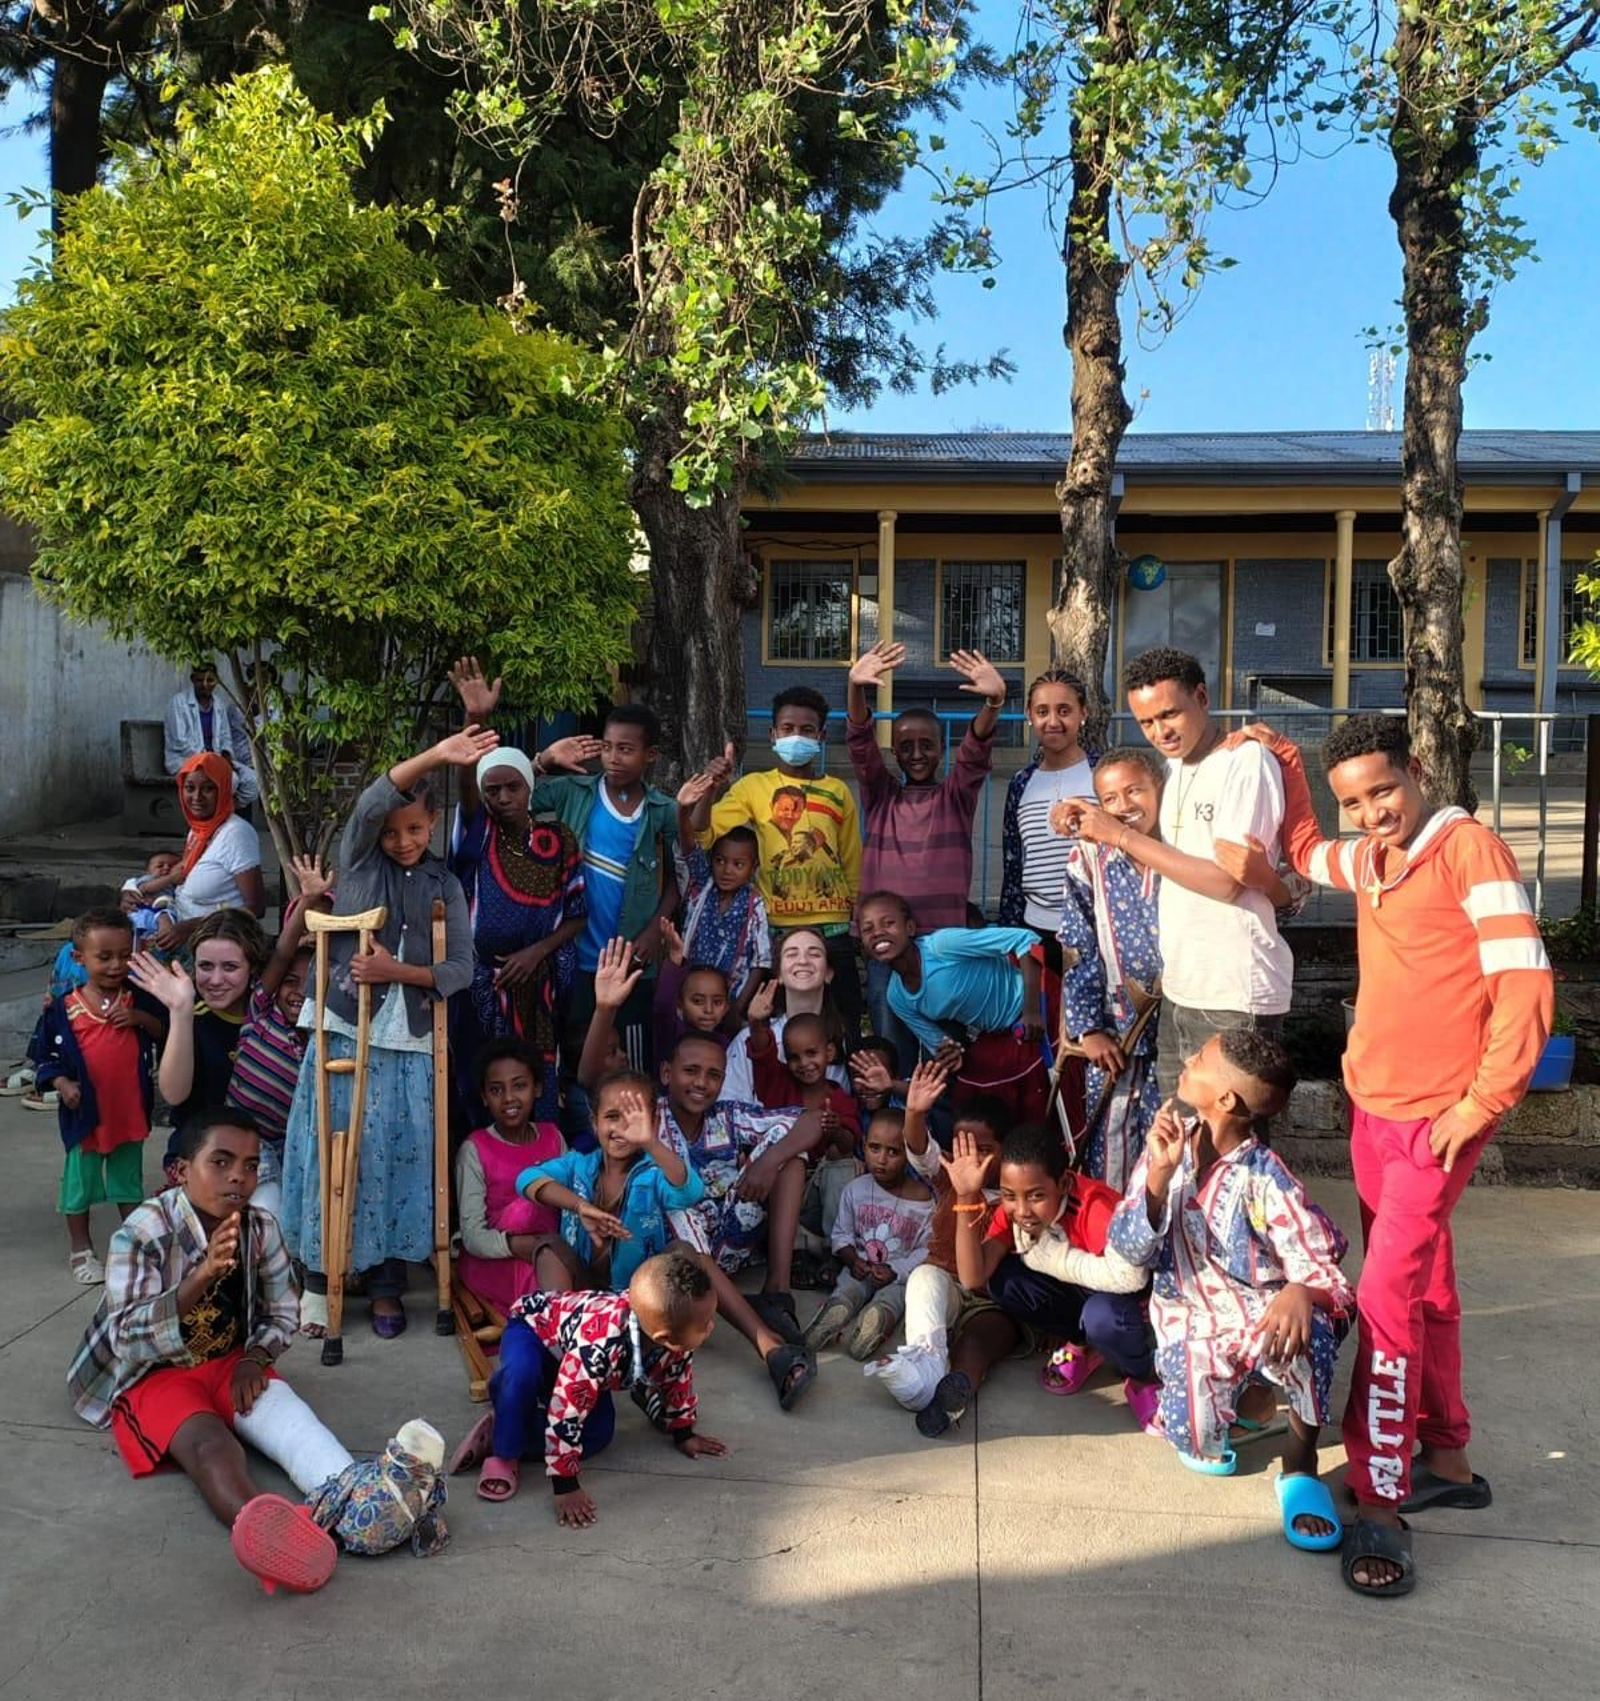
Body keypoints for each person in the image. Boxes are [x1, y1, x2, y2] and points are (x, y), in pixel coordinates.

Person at [1220, 714, 1553, 1598]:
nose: (1372, 812)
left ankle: (1380, 1498)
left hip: (1439, 1120)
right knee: (1424, 1283)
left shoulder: (1467, 850)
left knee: (1385, 1299)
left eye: (1384, 791)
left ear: (1416, 774)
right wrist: (1286, 759)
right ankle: (1446, 1453)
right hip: (1375, 1109)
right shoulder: (1372, 859)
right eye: (1356, 802)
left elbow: (1526, 984)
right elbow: (1302, 849)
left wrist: (1480, 1103)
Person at [67, 1109, 446, 1594]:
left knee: (298, 1429)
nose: (238, 1178)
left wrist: (255, 1358)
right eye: (220, 1162)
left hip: (230, 1360)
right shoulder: (143, 1231)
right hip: (154, 1370)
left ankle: (370, 1503)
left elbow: (282, 1312)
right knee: (212, 1446)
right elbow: (127, 1337)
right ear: (181, 1171)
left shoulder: (260, 1227)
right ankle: (271, 1536)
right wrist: (201, 1275)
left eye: (249, 1166)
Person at [1108, 1031, 1355, 1553]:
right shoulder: (1166, 1145)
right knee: (1200, 1449)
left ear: (1225, 1099)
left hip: (1259, 1319)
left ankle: (1300, 1466)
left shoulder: (1268, 1179)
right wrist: (1157, 1177)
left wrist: (1301, 1292)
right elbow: (1128, 1251)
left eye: (1200, 1058)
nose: (1188, 1059)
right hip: (1190, 1322)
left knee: (1311, 1331)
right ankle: (1245, 1400)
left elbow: (1333, 1280)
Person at [278, 727, 482, 1341]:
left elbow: (461, 968)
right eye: (393, 832)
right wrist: (438, 754)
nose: (403, 841)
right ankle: (322, 1277)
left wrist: (400, 972)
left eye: (415, 829)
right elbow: (372, 804)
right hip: (346, 1026)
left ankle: (387, 1280)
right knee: (334, 1148)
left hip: (410, 1038)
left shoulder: (445, 884)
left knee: (398, 1156)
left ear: (433, 823)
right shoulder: (362, 861)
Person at [1058, 646, 1291, 1102]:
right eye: (1146, 722)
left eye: (1170, 714)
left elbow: (1227, 881)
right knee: (1177, 1132)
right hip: (1181, 989)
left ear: (1201, 698)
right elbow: (1132, 810)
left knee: (1229, 1133)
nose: (1160, 732)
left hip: (1233, 993)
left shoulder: (1244, 762)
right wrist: (1069, 814)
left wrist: (1119, 835)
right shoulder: (1175, 769)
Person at [454, 1249, 727, 1527]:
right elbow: (566, 1413)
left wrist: (683, 1433)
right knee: (521, 1376)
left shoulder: (672, 1340)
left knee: (598, 1434)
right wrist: (565, 1486)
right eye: (705, 1324)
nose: (711, 1327)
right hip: (533, 1330)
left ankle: (502, 1425)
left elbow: (678, 1380)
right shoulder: (598, 1347)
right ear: (664, 1337)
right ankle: (504, 1449)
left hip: (571, 1354)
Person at [938, 1121, 1157, 1439]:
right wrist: (966, 1197)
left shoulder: (1095, 1208)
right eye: (1009, 1195)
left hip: (1128, 1300)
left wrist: (1059, 1262)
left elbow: (1132, 1278)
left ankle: (1141, 1376)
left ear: (1064, 1184)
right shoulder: (1013, 1212)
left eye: (1036, 1195)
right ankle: (1083, 1344)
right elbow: (973, 1277)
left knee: (1102, 1317)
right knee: (1005, 1281)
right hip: (1085, 1292)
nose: (1022, 1210)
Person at [447, 658, 590, 1124]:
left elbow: (577, 913)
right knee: (479, 1078)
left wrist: (536, 953)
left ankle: (541, 1154)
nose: (503, 797)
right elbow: (466, 781)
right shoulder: (478, 832)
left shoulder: (559, 839)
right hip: (482, 984)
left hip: (540, 985)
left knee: (537, 1079)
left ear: (529, 788)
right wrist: (475, 719)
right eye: (493, 790)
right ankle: (481, 1157)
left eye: (513, 787)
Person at [845, 642, 1005, 1051]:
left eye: (927, 745)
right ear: (894, 752)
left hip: (943, 949)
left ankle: (946, 1095)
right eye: (906, 746)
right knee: (890, 1040)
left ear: (940, 748)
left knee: (947, 1047)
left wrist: (993, 703)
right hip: (885, 946)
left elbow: (974, 754)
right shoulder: (881, 797)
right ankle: (897, 1094)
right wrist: (855, 687)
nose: (917, 754)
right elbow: (861, 748)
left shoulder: (955, 798)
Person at [655, 1031, 827, 1409]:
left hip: (733, 1235)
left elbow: (813, 1119)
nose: (702, 1083)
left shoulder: (726, 1115)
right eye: (691, 1071)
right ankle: (768, 1345)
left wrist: (767, 1162)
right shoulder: (651, 1123)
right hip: (687, 1256)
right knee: (678, 1217)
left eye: (713, 1075)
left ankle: (777, 1290)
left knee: (791, 1159)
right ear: (667, 1073)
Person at [696, 686, 864, 1032]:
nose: (796, 736)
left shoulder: (838, 791)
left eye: (807, 730)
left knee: (842, 1023)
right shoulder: (752, 787)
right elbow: (704, 833)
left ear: (821, 736)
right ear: (773, 734)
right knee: (774, 1024)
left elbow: (852, 861)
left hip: (833, 929)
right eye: (787, 729)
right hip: (776, 930)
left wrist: (856, 916)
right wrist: (710, 787)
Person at [524, 702, 681, 1072]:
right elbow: (506, 793)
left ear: (650, 755)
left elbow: (679, 879)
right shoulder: (572, 792)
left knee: (631, 1061)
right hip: (573, 957)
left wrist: (653, 931)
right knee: (574, 1055)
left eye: (625, 749)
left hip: (633, 963)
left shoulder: (662, 811)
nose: (613, 758)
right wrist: (543, 761)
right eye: (607, 747)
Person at [865, 1069, 1024, 1426]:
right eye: (963, 1148)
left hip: (990, 1302)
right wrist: (914, 1113)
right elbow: (919, 1150)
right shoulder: (950, 1174)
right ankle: (925, 1367)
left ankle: (954, 1391)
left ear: (1006, 1150)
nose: (971, 1160)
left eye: (984, 1150)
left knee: (978, 1344)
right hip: (944, 1285)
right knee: (923, 1277)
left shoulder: (1017, 1198)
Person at [31, 909, 166, 1283]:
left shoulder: (139, 999)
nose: (115, 965)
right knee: (80, 1185)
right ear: (79, 958)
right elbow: (45, 1057)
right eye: (104, 957)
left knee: (128, 1183)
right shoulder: (63, 1009)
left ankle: (135, 1246)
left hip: (127, 1111)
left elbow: (164, 1030)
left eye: (124, 955)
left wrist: (139, 1020)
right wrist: (63, 1084)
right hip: (86, 1115)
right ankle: (81, 1248)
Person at [1056, 747, 1166, 1191]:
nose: (1124, 806)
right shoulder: (1089, 857)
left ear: (1160, 788)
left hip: (1178, 1029)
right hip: (1116, 1030)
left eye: (1135, 790)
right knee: (1111, 1140)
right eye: (1110, 798)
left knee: (1170, 1142)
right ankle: (1113, 1229)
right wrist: (1088, 1028)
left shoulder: (1183, 852)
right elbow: (1077, 944)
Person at [857, 890, 1049, 1126]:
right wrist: (952, 1055)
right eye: (868, 929)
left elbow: (1026, 940)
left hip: (1037, 1001)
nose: (878, 932)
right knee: (970, 1090)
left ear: (910, 928)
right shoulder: (897, 997)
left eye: (888, 923)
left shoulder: (941, 946)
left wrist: (1032, 1009)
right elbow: (941, 1044)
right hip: (1000, 1032)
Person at [221, 858, 334, 1220]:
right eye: (291, 981)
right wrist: (307, 900)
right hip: (240, 1137)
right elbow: (284, 951)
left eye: (313, 982)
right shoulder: (262, 1011)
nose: (300, 991)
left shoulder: (324, 1039)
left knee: (290, 1214)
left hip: (291, 1146)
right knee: (263, 1211)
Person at [803, 1108, 933, 1359]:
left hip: (898, 1276)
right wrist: (853, 1260)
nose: (882, 1159)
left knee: (894, 1298)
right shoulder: (855, 1189)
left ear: (909, 1154)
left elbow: (925, 1250)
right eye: (875, 1148)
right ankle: (835, 1312)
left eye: (893, 1152)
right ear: (863, 1145)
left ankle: (876, 1321)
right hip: (860, 1266)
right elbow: (842, 1233)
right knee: (849, 1285)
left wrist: (896, 1270)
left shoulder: (922, 1201)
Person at [454, 1039, 568, 1316]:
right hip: (495, 1260)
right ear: (484, 1097)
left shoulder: (553, 1137)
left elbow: (573, 1204)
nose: (508, 1098)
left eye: (519, 1086)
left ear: (537, 1088)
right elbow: (473, 1236)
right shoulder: (474, 1149)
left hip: (549, 1249)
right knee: (529, 1205)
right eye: (496, 1090)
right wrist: (518, 1245)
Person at [745, 989, 862, 1245]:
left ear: (829, 1052)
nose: (804, 1063)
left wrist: (836, 1130)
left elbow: (848, 1145)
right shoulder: (777, 1083)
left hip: (816, 1195)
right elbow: (762, 1054)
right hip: (774, 1186)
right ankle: (798, 1250)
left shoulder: (839, 1097)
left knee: (843, 1164)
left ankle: (837, 1248)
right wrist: (756, 1024)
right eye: (794, 1057)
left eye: (811, 1053)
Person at [999, 668, 1096, 951]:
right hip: (1036, 930)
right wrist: (1012, 934)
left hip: (1096, 927)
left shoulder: (1103, 774)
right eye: (1042, 711)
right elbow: (1013, 862)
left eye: (1064, 711)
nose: (1053, 721)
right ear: (1029, 715)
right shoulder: (1021, 783)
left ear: (1083, 713)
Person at [130, 754, 265, 947]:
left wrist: (194, 926)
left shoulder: (236, 834)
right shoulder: (198, 831)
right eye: (190, 788)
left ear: (224, 789)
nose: (197, 797)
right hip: (177, 928)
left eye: (208, 788)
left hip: (216, 943)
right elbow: (179, 881)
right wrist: (133, 894)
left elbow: (255, 908)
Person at [674, 768, 770, 1021]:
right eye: (720, 860)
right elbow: (688, 844)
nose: (727, 870)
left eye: (738, 864)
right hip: (691, 997)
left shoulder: (754, 903)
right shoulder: (702, 884)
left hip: (731, 1001)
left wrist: (737, 1008)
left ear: (754, 867)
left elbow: (760, 962)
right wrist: (683, 810)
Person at [719, 926, 851, 1103]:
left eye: (814, 954)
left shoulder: (842, 1039)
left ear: (828, 973)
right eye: (792, 954)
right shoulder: (748, 1038)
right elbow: (728, 1104)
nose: (802, 961)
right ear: (779, 974)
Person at [163, 663, 259, 808]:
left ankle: (224, 810)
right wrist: (211, 759)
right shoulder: (179, 702)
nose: (205, 685)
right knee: (231, 780)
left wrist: (226, 756)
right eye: (200, 680)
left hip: (215, 759)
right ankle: (215, 814)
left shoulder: (218, 704)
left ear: (216, 681)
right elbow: (180, 743)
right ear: (192, 679)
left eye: (210, 680)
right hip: (186, 759)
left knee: (253, 780)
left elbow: (225, 737)